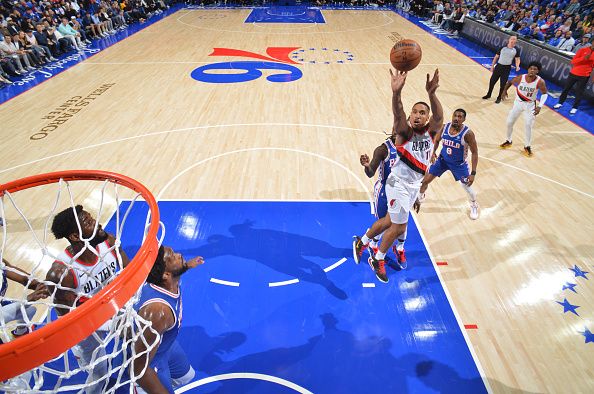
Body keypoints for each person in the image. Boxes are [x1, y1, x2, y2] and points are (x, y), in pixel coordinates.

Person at [353, 69, 443, 283]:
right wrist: (396, 93)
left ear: (427, 117)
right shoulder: (404, 132)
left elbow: (440, 117)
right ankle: (378, 258)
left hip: (413, 185)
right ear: (410, 116)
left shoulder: (431, 132)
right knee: (399, 226)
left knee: (387, 222)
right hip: (398, 185)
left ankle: (363, 241)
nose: (418, 115)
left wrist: (432, 94)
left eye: (423, 112)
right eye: (415, 112)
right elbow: (398, 113)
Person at [45, 204, 129, 393]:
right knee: (99, 372)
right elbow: (68, 320)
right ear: (75, 236)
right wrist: (110, 324)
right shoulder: (61, 274)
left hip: (110, 304)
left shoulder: (108, 242)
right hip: (83, 325)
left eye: (93, 219)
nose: (98, 224)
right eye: (90, 223)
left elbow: (129, 273)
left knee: (136, 335)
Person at [118, 245, 203, 393]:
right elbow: (139, 369)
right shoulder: (159, 312)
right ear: (166, 275)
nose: (179, 254)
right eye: (172, 257)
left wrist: (187, 265)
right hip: (149, 363)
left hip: (164, 345)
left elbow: (173, 270)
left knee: (186, 377)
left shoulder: (168, 282)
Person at [417, 109, 480, 220]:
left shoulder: (468, 134)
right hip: (443, 160)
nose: (456, 118)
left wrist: (473, 173)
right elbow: (436, 140)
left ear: (464, 119)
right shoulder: (445, 127)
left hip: (459, 164)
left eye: (460, 117)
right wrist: (433, 153)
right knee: (425, 180)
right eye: (455, 115)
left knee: (467, 187)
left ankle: (474, 205)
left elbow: (474, 152)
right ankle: (420, 196)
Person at [359, 133, 408, 269]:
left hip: (402, 191)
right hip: (385, 191)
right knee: (384, 223)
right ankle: (373, 244)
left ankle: (399, 248)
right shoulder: (383, 149)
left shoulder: (410, 147)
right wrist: (367, 166)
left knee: (403, 222)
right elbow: (370, 173)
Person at [499, 61, 548, 157]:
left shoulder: (540, 81)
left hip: (530, 105)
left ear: (538, 71)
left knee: (528, 125)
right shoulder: (521, 77)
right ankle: (508, 141)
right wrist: (504, 91)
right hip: (518, 103)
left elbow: (545, 94)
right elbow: (509, 82)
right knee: (509, 122)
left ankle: (527, 146)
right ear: (528, 69)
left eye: (535, 69)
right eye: (531, 68)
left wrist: (539, 106)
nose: (532, 70)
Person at [554, 35, 594, 114]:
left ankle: (575, 107)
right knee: (566, 89)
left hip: (584, 76)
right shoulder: (583, 50)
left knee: (579, 92)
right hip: (574, 73)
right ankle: (560, 103)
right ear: (592, 42)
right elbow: (573, 61)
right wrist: (583, 58)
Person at [483, 35, 521, 104]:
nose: (513, 40)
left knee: (502, 84)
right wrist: (492, 66)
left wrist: (517, 66)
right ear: (509, 40)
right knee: (492, 81)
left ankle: (499, 97)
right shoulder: (502, 47)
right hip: (498, 66)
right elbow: (496, 57)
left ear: (516, 41)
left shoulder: (516, 49)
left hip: (506, 68)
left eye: (514, 39)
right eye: (512, 39)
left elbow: (517, 59)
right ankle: (488, 94)